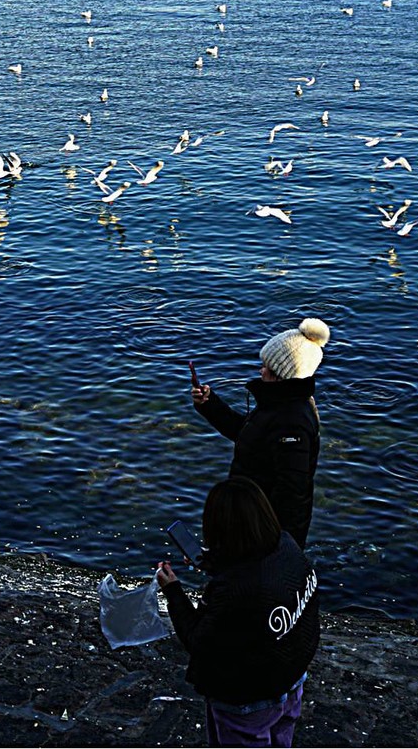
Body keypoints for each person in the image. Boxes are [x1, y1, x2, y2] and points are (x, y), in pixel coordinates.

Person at [156, 477, 320, 748]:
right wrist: (214, 562)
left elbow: (199, 641)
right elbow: (257, 571)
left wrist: (173, 591)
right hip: (291, 675)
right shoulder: (288, 546)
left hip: (249, 698)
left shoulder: (234, 592)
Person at [191, 318, 330, 547]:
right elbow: (248, 435)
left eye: (267, 366)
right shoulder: (279, 404)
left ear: (282, 374)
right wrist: (210, 404)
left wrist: (282, 548)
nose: (261, 370)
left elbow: (293, 492)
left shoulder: (292, 420)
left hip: (261, 529)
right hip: (250, 517)